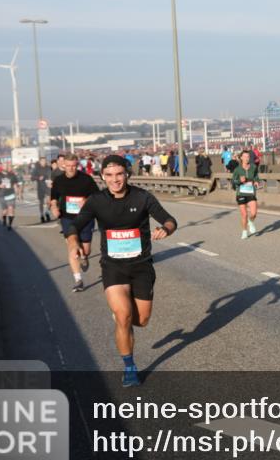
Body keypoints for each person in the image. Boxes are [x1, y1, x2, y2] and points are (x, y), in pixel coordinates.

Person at [65, 154, 178, 386]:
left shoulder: (142, 197)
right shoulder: (96, 201)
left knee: (142, 320)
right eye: (109, 175)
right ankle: (129, 367)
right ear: (102, 177)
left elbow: (169, 219)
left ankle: (123, 319)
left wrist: (166, 229)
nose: (115, 180)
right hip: (113, 267)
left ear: (127, 174)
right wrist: (74, 241)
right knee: (124, 316)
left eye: (119, 174)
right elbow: (75, 225)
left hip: (141, 267)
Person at [50, 153, 101, 292]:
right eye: (68, 166)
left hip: (85, 217)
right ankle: (78, 279)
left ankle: (84, 256)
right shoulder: (59, 180)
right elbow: (54, 196)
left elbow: (97, 195)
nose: (71, 169)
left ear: (77, 165)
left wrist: (87, 201)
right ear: (63, 165)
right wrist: (54, 207)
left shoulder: (86, 179)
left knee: (85, 250)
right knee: (72, 246)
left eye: (74, 166)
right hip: (67, 218)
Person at [230, 150, 260, 239]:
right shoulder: (237, 169)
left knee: (254, 213)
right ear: (241, 158)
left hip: (251, 192)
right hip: (241, 193)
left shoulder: (253, 167)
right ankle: (244, 231)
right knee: (244, 215)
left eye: (248, 157)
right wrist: (239, 181)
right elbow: (233, 182)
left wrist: (256, 182)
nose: (247, 158)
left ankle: (251, 222)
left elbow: (256, 177)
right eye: (245, 157)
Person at [0, 165, 21, 230]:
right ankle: (4, 219)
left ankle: (9, 224)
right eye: (4, 166)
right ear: (2, 168)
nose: (6, 167)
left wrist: (18, 194)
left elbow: (15, 185)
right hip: (1, 194)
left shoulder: (12, 175)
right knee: (5, 210)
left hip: (11, 194)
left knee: (11, 209)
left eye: (7, 166)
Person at [31, 156, 53, 223]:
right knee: (41, 202)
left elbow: (52, 175)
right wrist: (38, 178)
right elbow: (32, 178)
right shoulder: (36, 169)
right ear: (40, 162)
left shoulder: (49, 168)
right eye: (42, 161)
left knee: (49, 201)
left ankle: (47, 212)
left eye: (44, 161)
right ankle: (42, 215)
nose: (43, 162)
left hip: (48, 186)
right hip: (40, 187)